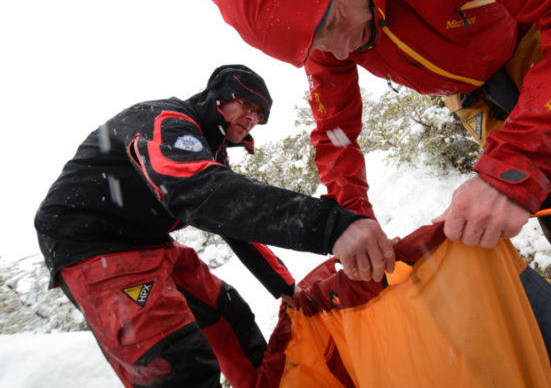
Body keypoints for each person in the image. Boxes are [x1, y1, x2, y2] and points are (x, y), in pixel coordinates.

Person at [201, 0, 551, 386]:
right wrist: (352, 217)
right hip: (470, 92)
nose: (341, 48)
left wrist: (517, 163)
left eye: (331, 24)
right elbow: (336, 133)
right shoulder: (327, 37)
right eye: (315, 45)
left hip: (548, 40)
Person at [34, 64, 395, 388]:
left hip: (146, 240)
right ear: (217, 99)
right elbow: (199, 191)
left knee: (229, 313)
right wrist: (331, 225)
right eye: (247, 104)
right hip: (90, 244)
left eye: (260, 115)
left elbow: (234, 222)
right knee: (178, 364)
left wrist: (285, 287)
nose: (253, 117)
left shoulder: (208, 151)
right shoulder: (165, 121)